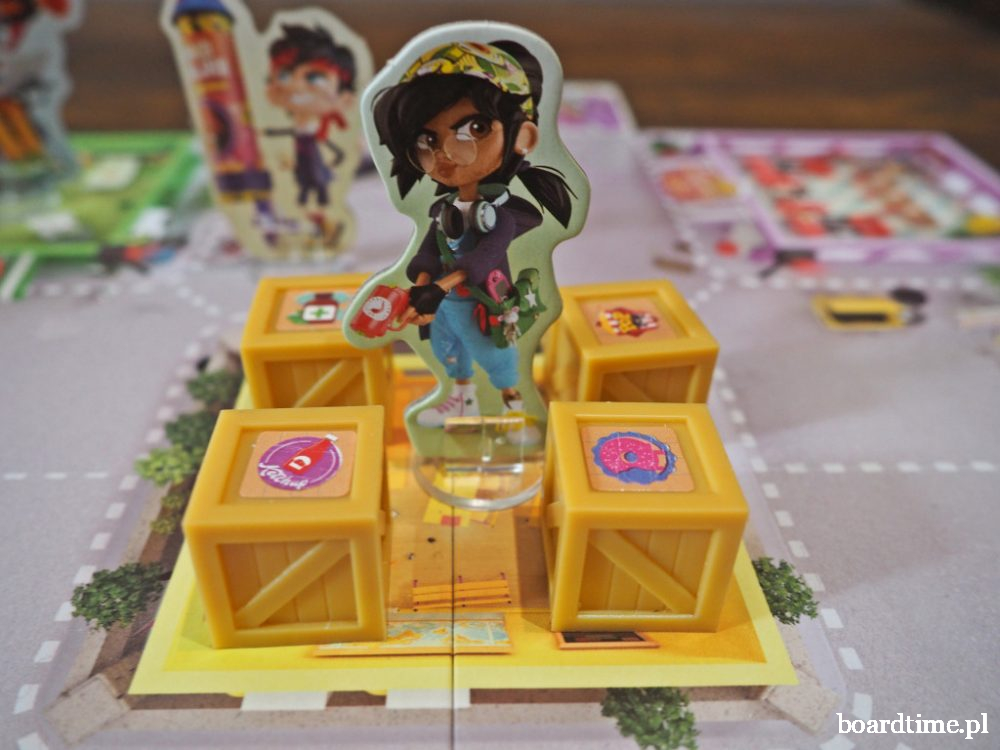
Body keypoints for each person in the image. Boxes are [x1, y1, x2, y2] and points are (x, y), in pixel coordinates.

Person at [371, 40, 574, 436]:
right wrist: (422, 289)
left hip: (480, 303)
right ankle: (462, 400)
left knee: (495, 358)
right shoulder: (443, 209)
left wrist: (439, 289)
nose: (445, 153)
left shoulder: (501, 216)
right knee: (449, 351)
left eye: (474, 129)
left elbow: (483, 258)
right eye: (427, 140)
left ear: (523, 136)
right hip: (446, 304)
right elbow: (428, 252)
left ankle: (515, 412)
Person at [264, 24, 356, 240]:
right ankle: (310, 221)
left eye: (314, 77)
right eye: (284, 75)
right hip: (301, 168)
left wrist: (337, 158)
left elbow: (332, 147)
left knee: (321, 190)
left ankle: (325, 222)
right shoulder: (297, 131)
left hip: (317, 166)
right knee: (302, 192)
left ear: (345, 98)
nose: (295, 86)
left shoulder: (322, 133)